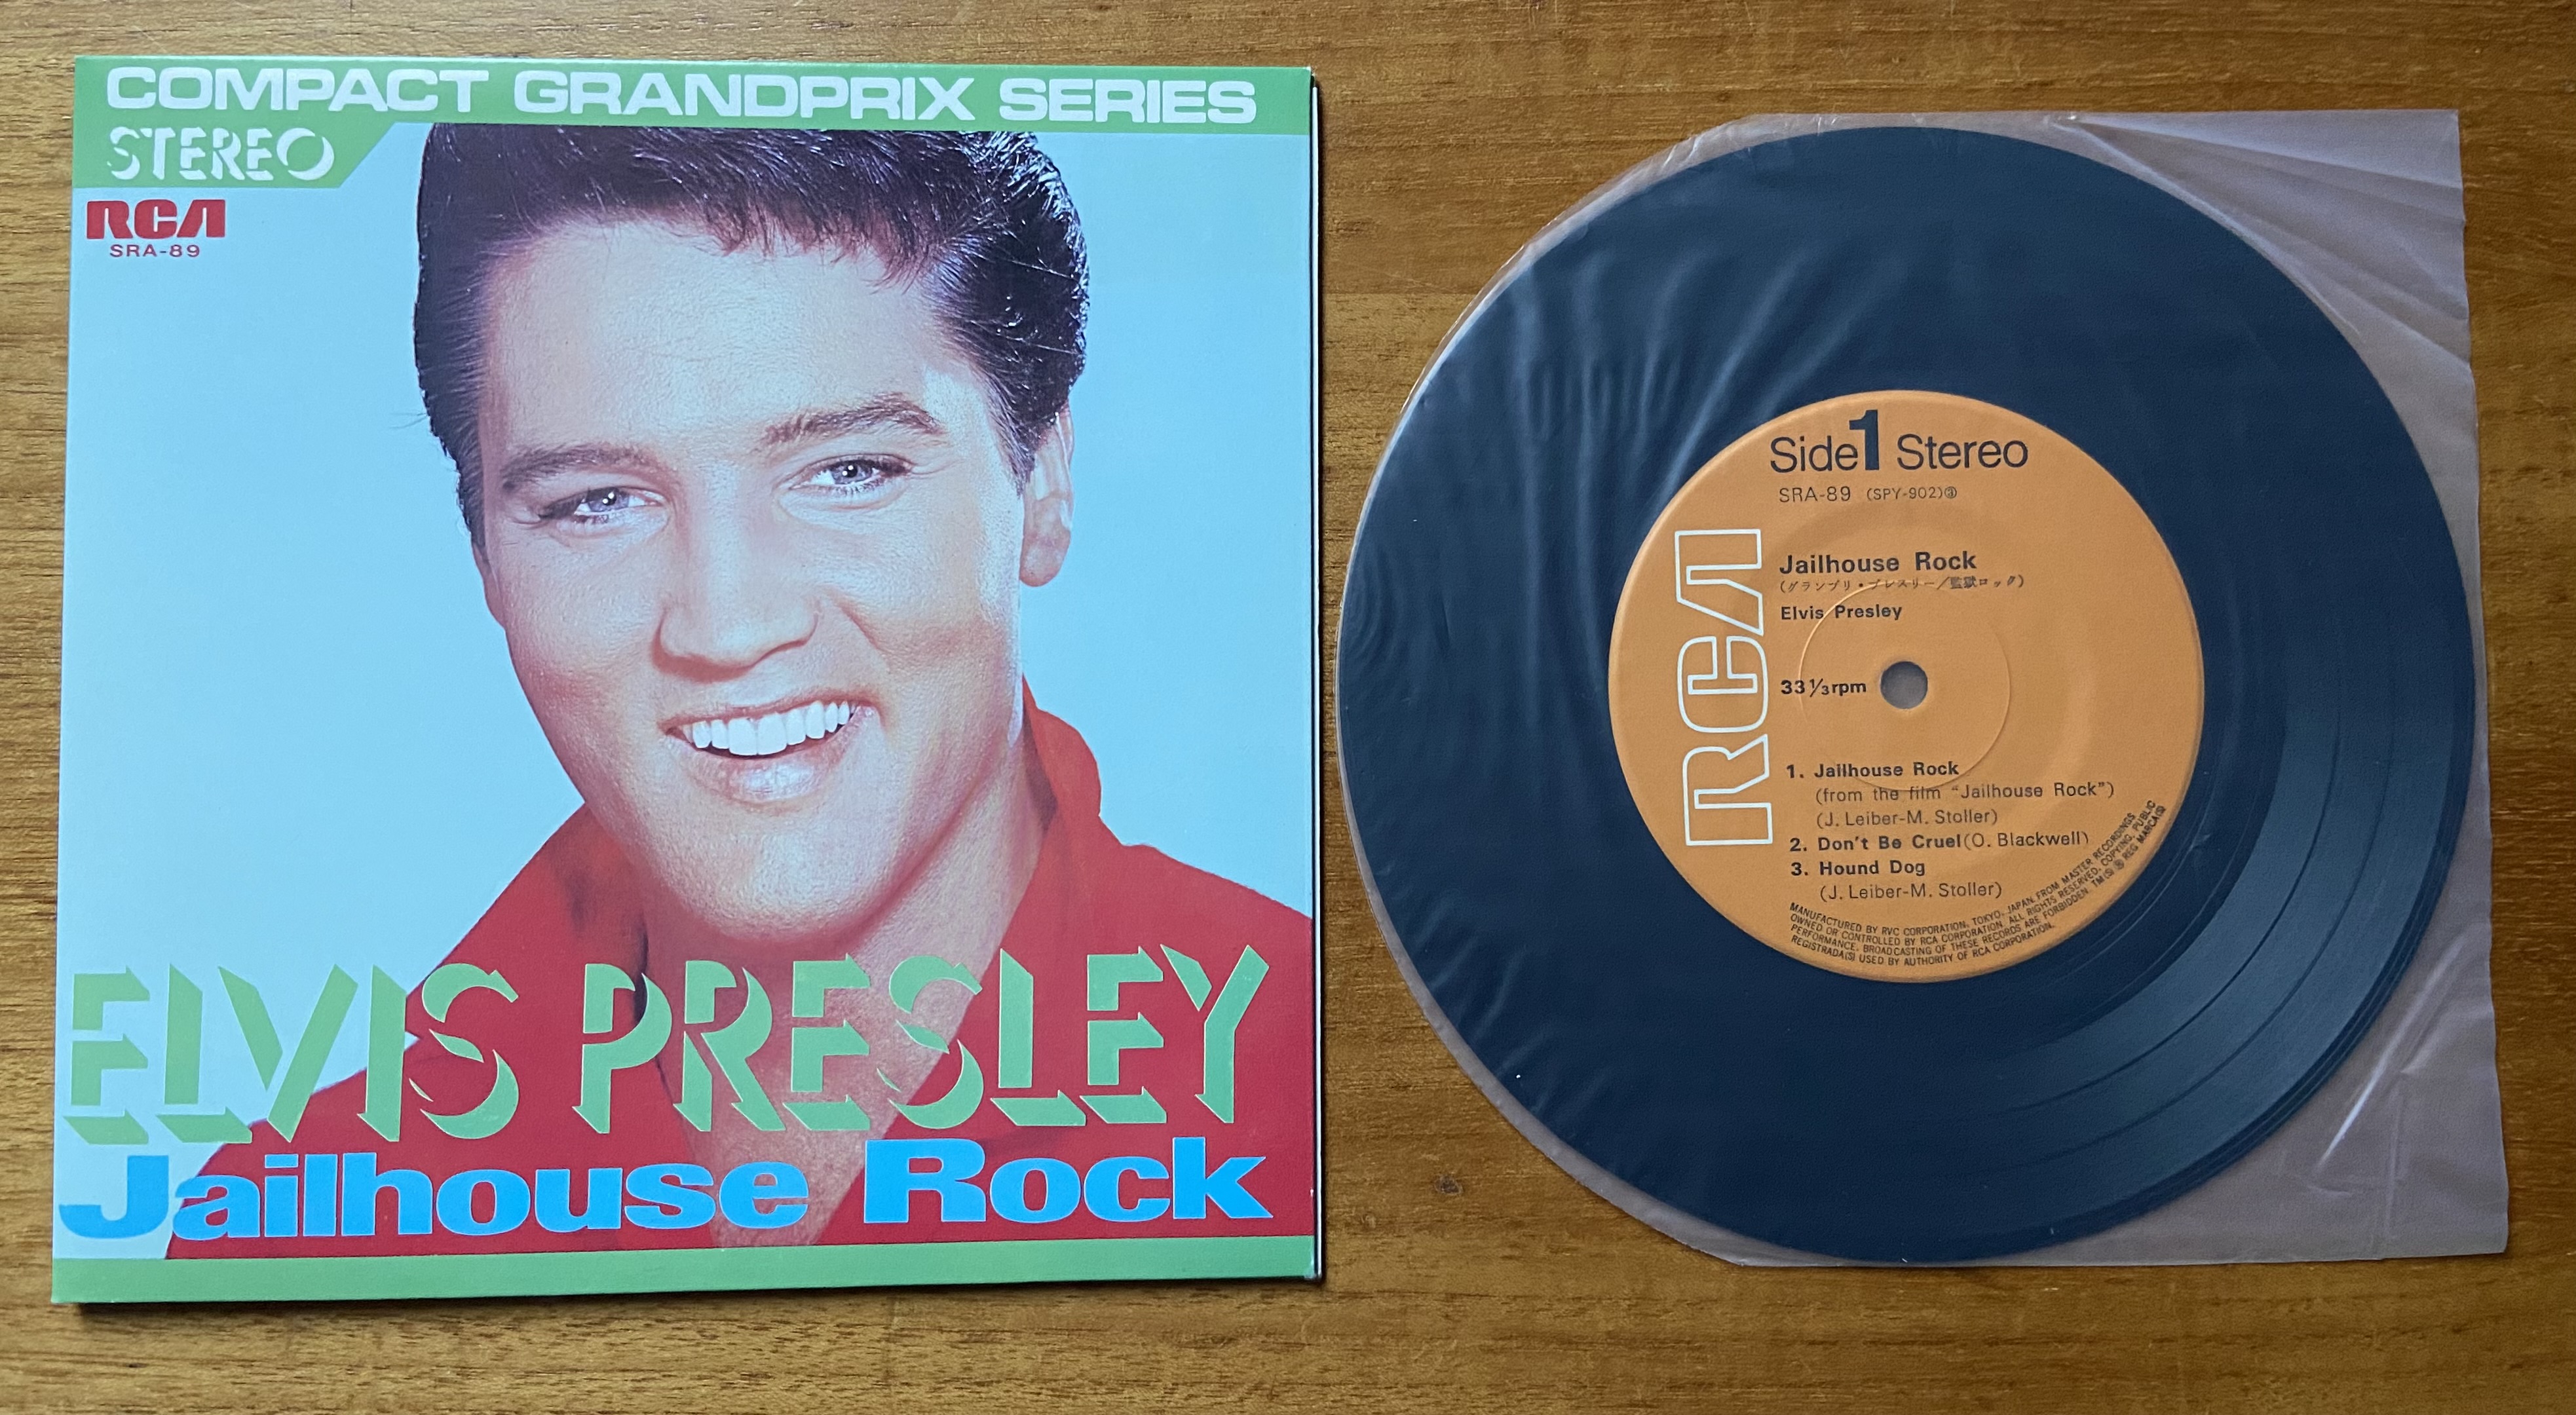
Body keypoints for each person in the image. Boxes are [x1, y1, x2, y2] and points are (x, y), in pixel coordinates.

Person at [173, 126, 1312, 1255]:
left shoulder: (1319, 1086)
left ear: (1044, 482)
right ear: (484, 559)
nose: (726, 626)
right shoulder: (300, 1228)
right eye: (597, 502)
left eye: (848, 471)